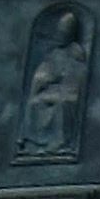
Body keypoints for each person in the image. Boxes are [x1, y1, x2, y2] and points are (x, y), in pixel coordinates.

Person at [18, 10, 87, 156]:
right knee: (35, 103)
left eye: (64, 32)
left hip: (68, 90)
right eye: (59, 32)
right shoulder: (55, 53)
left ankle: (59, 143)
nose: (60, 36)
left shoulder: (76, 53)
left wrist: (62, 78)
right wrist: (43, 79)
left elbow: (76, 75)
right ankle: (33, 143)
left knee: (62, 105)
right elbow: (46, 71)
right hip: (54, 89)